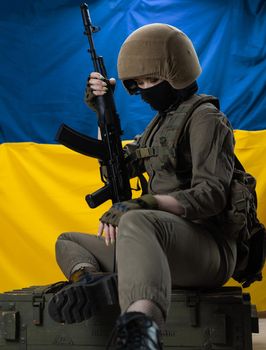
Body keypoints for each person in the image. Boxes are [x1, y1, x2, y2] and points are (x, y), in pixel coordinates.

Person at [48, 24, 238, 349]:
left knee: (134, 220)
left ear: (176, 73)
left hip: (208, 248)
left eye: (152, 80)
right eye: (140, 84)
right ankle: (93, 281)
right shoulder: (158, 125)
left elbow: (212, 195)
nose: (146, 89)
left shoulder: (206, 118)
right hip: (161, 244)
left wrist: (147, 203)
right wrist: (103, 114)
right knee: (69, 242)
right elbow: (117, 169)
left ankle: (139, 332)